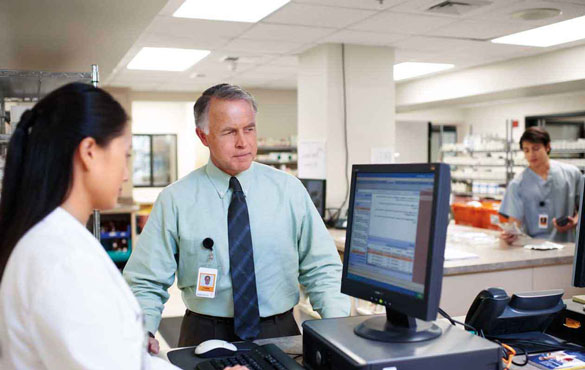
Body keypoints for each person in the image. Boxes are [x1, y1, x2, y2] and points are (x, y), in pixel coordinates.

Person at [0, 83, 244, 370]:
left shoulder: (59, 241)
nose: (127, 174)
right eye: (125, 155)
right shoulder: (62, 259)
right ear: (90, 152)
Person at [123, 83, 350, 351]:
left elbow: (321, 267)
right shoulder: (175, 199)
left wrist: (338, 329)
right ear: (203, 136)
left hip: (280, 331)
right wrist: (144, 329)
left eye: (249, 129)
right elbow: (146, 279)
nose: (243, 142)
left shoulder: (289, 190)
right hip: (204, 334)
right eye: (229, 132)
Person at [500, 127, 582, 244]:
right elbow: (514, 224)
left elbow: (582, 209)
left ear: (547, 146)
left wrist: (575, 221)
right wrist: (509, 234)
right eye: (526, 150)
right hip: (531, 249)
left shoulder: (571, 174)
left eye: (536, 148)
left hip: (568, 247)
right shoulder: (517, 184)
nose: (531, 154)